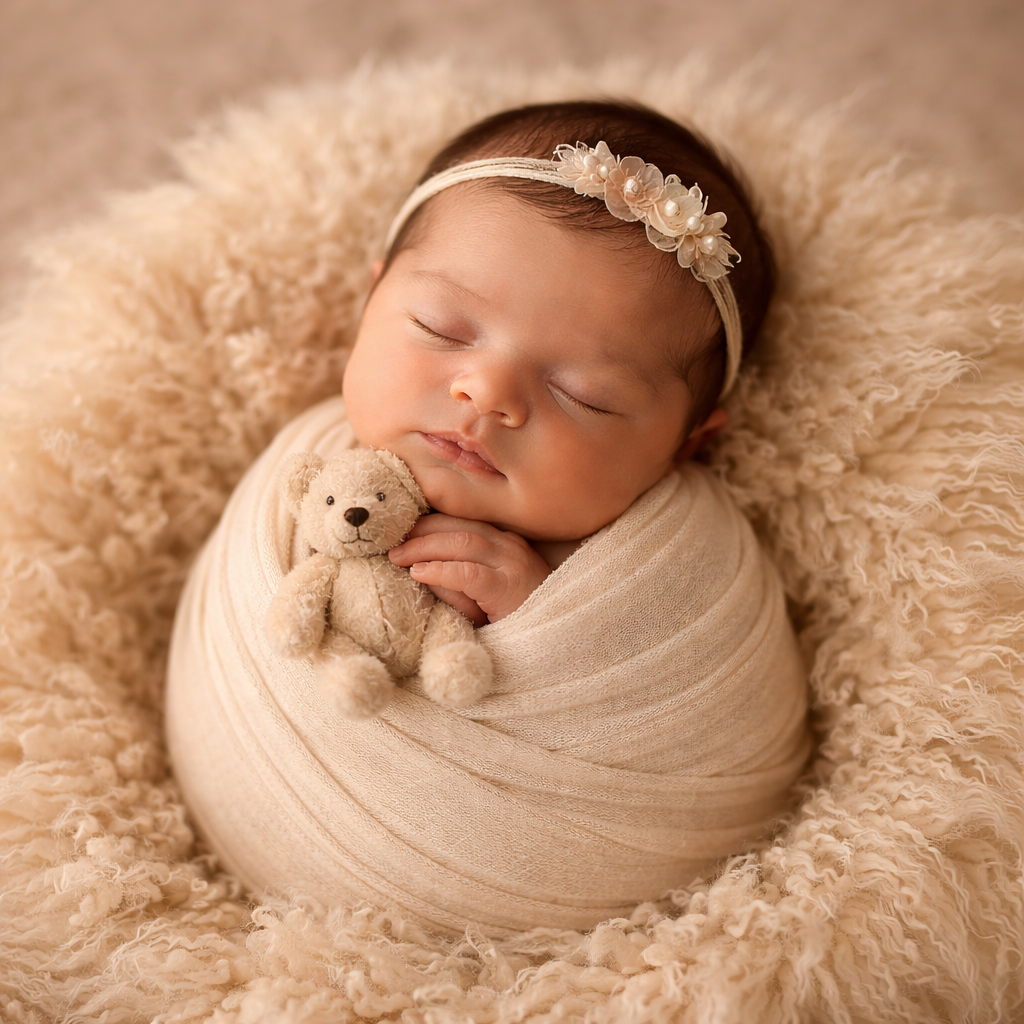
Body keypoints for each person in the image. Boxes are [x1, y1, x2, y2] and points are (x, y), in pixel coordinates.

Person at [342, 100, 775, 626]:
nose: (487, 392)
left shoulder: (669, 561)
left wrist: (544, 622)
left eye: (582, 395)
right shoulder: (306, 454)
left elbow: (700, 690)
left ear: (686, 445)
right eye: (439, 329)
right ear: (372, 298)